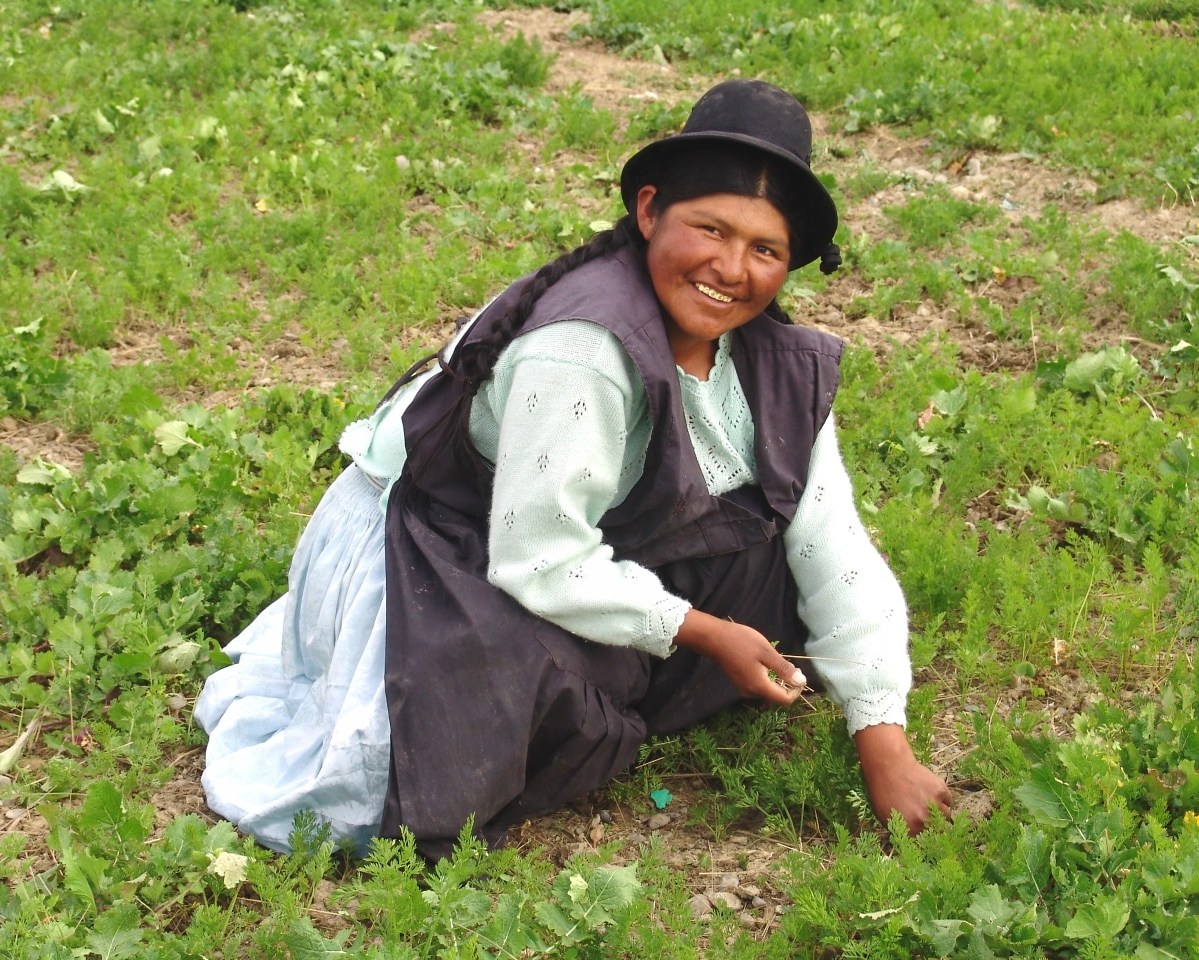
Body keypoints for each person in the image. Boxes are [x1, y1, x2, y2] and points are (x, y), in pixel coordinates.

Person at [195, 79, 952, 858]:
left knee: (776, 570)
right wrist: (705, 630)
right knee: (462, 733)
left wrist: (883, 739)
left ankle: (630, 656)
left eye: (765, 250)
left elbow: (833, 544)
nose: (730, 268)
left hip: (567, 538)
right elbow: (538, 554)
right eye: (710, 228)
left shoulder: (765, 361)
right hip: (442, 546)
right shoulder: (584, 346)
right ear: (650, 211)